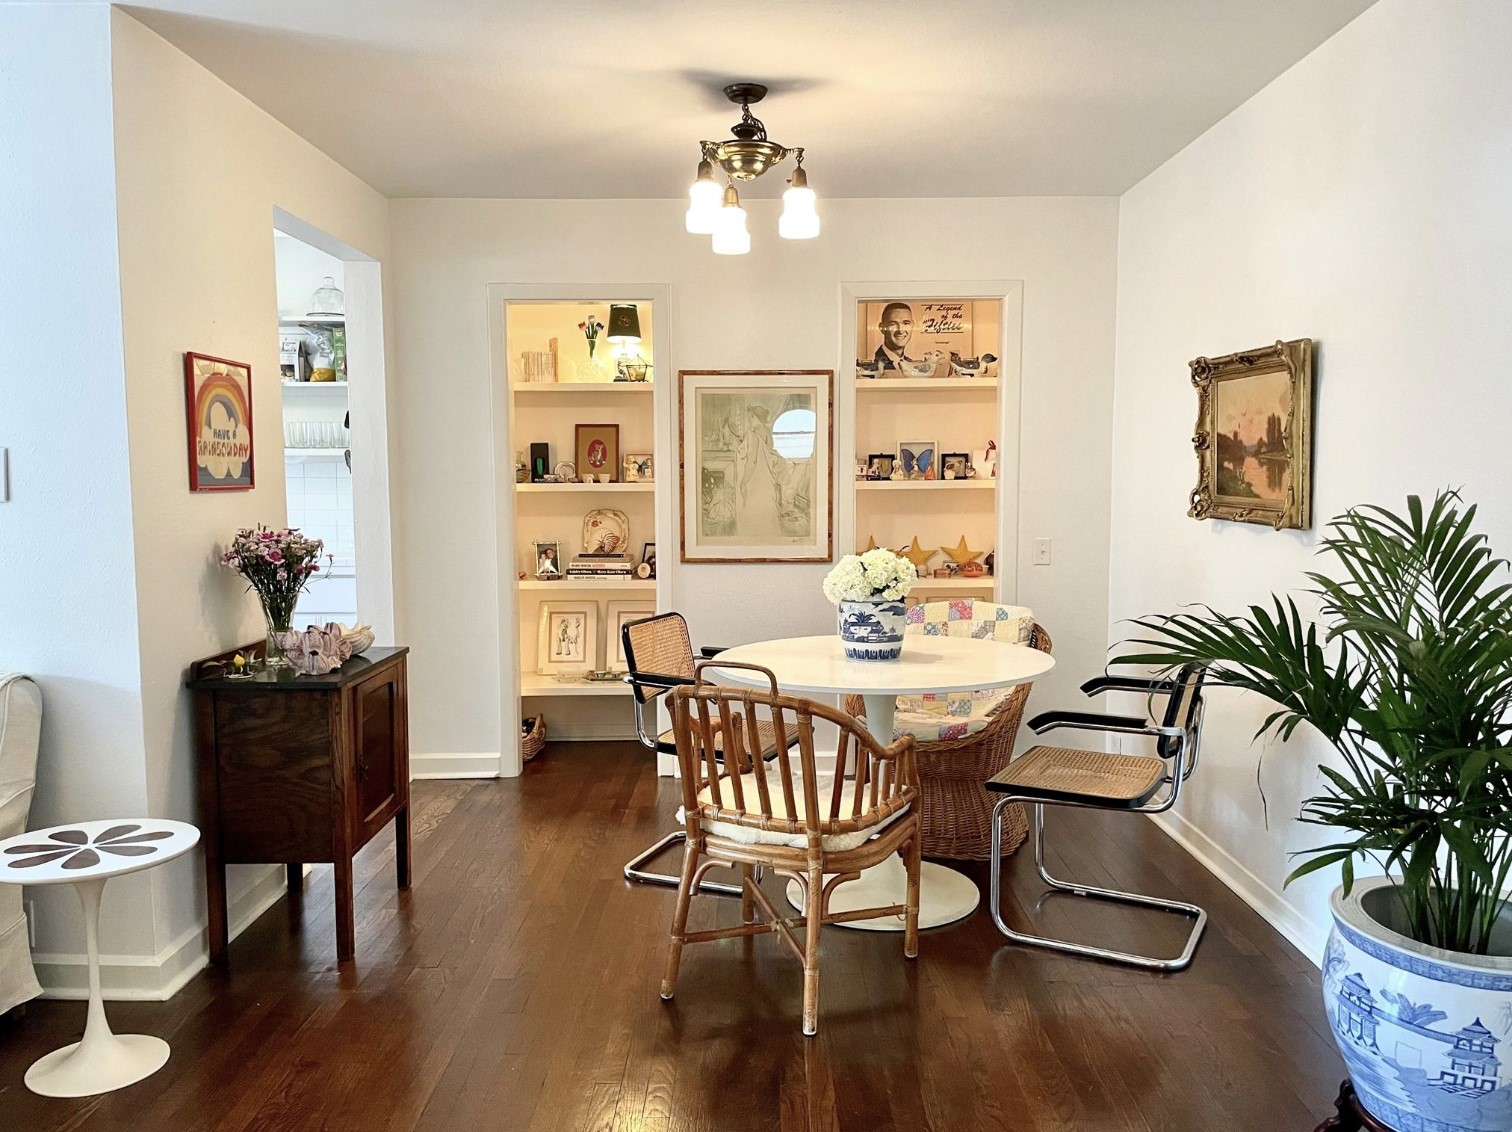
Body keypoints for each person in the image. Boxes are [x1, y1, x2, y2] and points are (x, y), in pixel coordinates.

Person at [873, 302, 914, 370]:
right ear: (882, 328)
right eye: (893, 324)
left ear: (912, 325)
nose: (900, 330)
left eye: (906, 323)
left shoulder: (910, 363)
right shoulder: (875, 364)